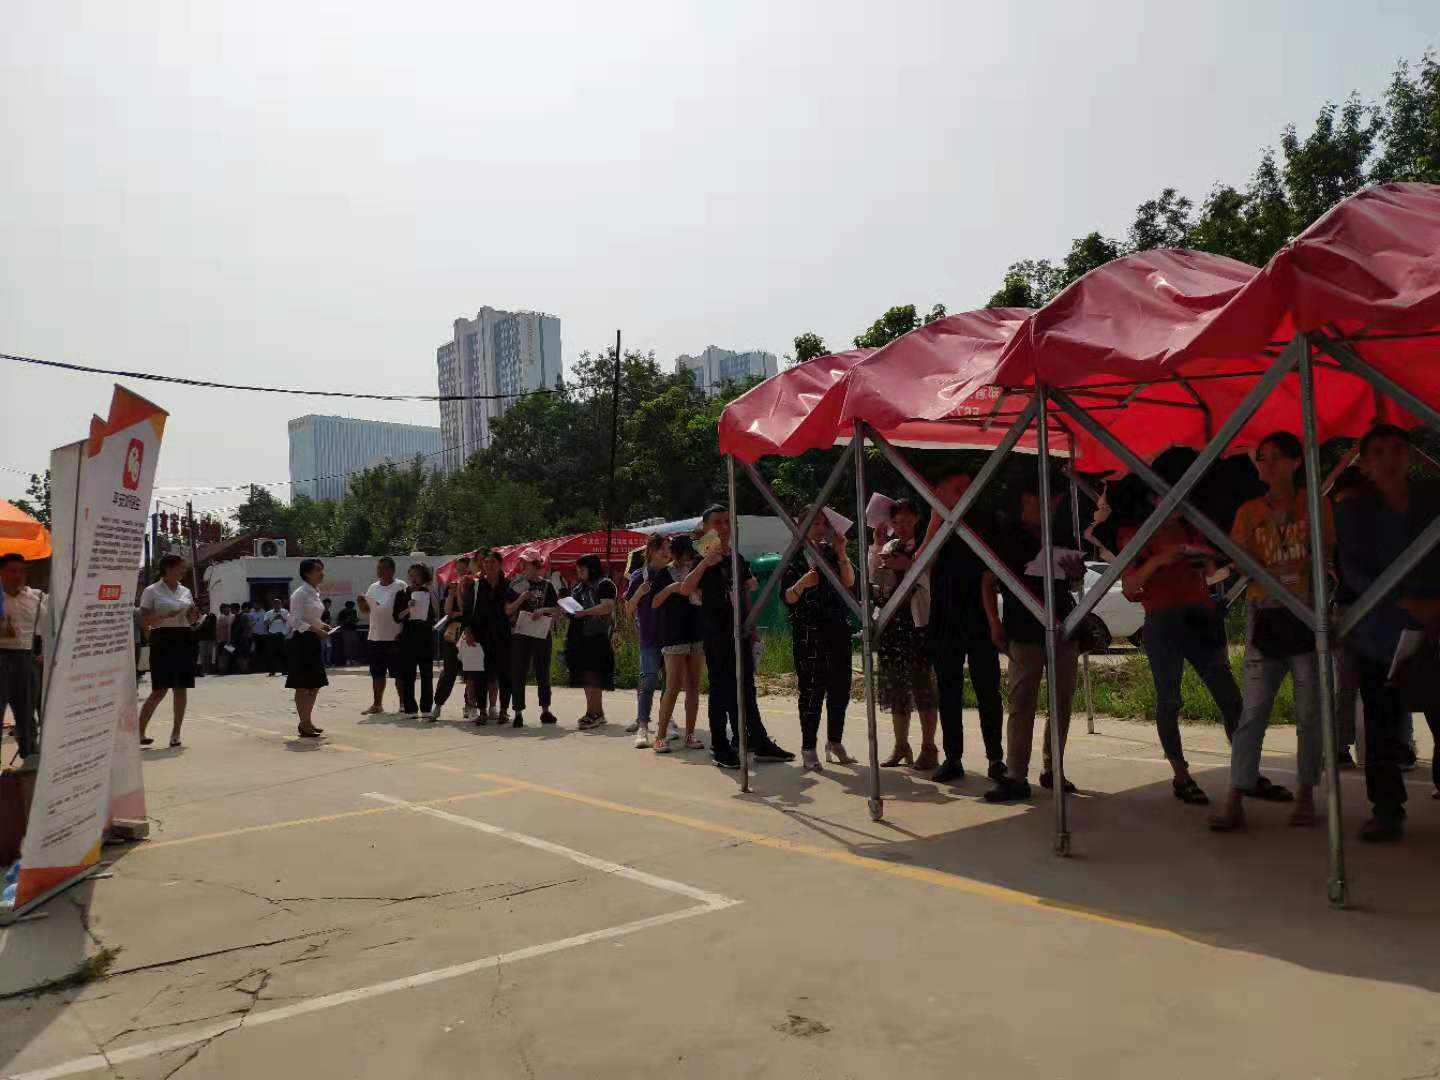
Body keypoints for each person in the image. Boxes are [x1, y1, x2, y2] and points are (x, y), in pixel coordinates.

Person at [1209, 431, 1330, 832]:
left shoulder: (1315, 504)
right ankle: (1236, 794)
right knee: (1253, 712)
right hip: (1265, 615)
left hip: (1307, 615)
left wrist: (1281, 568)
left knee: (1309, 712)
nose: (1268, 464)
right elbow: (1242, 561)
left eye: (1277, 457)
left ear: (1296, 462)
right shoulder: (1249, 512)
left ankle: (1306, 791)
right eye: (1262, 458)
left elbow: (1325, 554)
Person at [1337, 424, 1440, 839]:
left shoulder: (1433, 497)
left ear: (1410, 455)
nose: (1389, 458)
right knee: (1380, 724)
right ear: (1364, 462)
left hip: (1434, 626)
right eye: (1378, 451)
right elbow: (1353, 570)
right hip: (1380, 630)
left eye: (1397, 448)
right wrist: (1404, 601)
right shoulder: (1354, 510)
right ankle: (1386, 810)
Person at [1118, 497, 1243, 806]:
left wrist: (1208, 562)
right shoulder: (1135, 533)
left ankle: (1245, 770)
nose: (1178, 502)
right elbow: (1129, 586)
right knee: (1169, 700)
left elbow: (1211, 573)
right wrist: (1159, 561)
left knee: (1230, 696)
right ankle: (1181, 775)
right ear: (1152, 498)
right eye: (1168, 494)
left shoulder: (1192, 529)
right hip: (1163, 620)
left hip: (1200, 617)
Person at [981, 475, 1084, 803]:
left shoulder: (1063, 533)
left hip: (1063, 623)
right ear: (1024, 501)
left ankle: (1053, 768)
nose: (1045, 509)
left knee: (1062, 700)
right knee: (1022, 700)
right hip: (1023, 627)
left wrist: (1075, 573)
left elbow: (1075, 579)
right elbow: (988, 581)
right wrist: (994, 623)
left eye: (1051, 503)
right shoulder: (1007, 534)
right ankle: (1015, 774)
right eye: (1038, 502)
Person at [685, 505, 792, 769]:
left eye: (727, 522)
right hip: (716, 634)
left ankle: (756, 740)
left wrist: (751, 626)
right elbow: (686, 588)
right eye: (717, 523)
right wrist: (705, 564)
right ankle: (720, 745)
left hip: (740, 632)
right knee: (721, 689)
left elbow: (744, 592)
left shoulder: (736, 558)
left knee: (746, 688)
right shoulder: (702, 559)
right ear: (706, 527)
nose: (723, 528)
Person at [925, 470, 1005, 784]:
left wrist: (995, 622)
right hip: (945, 619)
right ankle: (953, 758)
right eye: (958, 488)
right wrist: (935, 521)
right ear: (939, 491)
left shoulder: (984, 521)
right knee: (948, 690)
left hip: (979, 617)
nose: (965, 495)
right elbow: (922, 564)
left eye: (969, 489)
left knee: (988, 688)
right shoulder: (936, 525)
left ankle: (996, 758)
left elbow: (992, 573)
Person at [782, 511, 857, 770]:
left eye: (823, 523)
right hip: (809, 632)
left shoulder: (830, 552)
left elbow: (849, 581)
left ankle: (834, 741)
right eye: (814, 522)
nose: (819, 527)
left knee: (840, 688)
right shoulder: (793, 556)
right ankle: (808, 747)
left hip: (837, 627)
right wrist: (802, 584)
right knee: (812, 691)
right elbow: (787, 597)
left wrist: (841, 550)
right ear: (800, 524)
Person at [870, 498, 940, 770]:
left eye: (907, 521)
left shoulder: (924, 546)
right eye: (897, 522)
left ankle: (929, 747)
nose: (901, 527)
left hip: (917, 624)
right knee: (896, 688)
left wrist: (907, 566)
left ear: (917, 520)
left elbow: (930, 583)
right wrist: (877, 548)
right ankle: (901, 745)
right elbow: (875, 583)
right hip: (892, 624)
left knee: (923, 688)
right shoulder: (889, 547)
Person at [648, 534, 707, 752]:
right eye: (684, 555)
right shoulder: (664, 573)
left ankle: (690, 735)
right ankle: (660, 736)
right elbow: (654, 603)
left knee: (693, 686)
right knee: (673, 686)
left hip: (696, 632)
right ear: (676, 554)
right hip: (674, 634)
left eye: (690, 556)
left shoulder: (698, 571)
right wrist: (671, 588)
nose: (687, 560)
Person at [138, 554, 198, 748]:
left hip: (183, 637)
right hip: (162, 638)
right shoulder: (151, 591)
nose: (183, 571)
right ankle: (139, 731)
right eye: (180, 567)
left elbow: (190, 619)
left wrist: (193, 617)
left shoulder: (185, 591)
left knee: (181, 688)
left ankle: (176, 733)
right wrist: (164, 615)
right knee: (160, 689)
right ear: (168, 568)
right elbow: (144, 620)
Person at [625, 535, 673, 747]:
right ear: (652, 550)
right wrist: (639, 593)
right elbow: (628, 608)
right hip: (650, 637)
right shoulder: (639, 575)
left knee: (669, 682)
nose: (668, 553)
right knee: (648, 680)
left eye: (669, 549)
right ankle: (643, 726)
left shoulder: (671, 573)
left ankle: (666, 721)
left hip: (671, 636)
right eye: (664, 548)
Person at [0, 554, 46, 770]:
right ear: (2, 573)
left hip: (25, 658)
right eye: (12, 570)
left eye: (21, 571)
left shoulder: (34, 599)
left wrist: (44, 653)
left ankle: (30, 760)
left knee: (26, 713)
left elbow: (49, 628)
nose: (17, 575)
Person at [563, 554, 618, 729]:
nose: (579, 571)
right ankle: (596, 713)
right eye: (578, 568)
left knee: (594, 677)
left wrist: (585, 612)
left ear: (592, 568)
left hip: (598, 637)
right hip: (579, 637)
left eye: (583, 568)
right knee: (587, 678)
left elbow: (607, 606)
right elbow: (574, 608)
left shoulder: (604, 584)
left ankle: (592, 714)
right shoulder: (579, 588)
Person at [506, 549, 560, 727]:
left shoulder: (547, 585)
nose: (523, 566)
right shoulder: (516, 583)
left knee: (543, 671)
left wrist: (543, 610)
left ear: (536, 564)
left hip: (541, 633)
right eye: (522, 562)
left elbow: (557, 610)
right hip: (521, 633)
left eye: (527, 562)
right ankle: (518, 712)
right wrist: (522, 597)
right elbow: (508, 610)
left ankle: (545, 710)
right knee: (518, 671)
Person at [286, 560, 330, 738]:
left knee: (315, 684)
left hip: (313, 640)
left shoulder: (315, 593)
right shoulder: (300, 594)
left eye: (322, 570)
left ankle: (307, 721)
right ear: (307, 573)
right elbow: (294, 621)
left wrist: (322, 625)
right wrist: (316, 630)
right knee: (302, 685)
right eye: (317, 570)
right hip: (302, 641)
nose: (322, 573)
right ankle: (304, 723)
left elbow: (311, 617)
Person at [357, 557, 405, 715]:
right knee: (377, 673)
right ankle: (377, 704)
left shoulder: (400, 586)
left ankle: (403, 704)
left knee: (399, 674)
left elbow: (406, 611)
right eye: (378, 567)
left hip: (395, 637)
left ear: (392, 570)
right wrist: (361, 603)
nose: (379, 571)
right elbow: (366, 610)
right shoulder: (373, 587)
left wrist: (403, 633)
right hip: (375, 637)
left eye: (383, 568)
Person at [431, 555, 475, 723]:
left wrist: (460, 609)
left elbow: (470, 611)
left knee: (471, 671)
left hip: (470, 630)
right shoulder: (452, 585)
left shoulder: (474, 585)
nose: (461, 572)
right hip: (453, 633)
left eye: (465, 569)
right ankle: (438, 704)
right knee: (449, 670)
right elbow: (447, 611)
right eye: (459, 569)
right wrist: (451, 594)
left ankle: (470, 705)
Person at [474, 551, 515, 724]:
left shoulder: (508, 585)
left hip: (502, 634)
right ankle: (482, 711)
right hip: (481, 635)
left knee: (504, 673)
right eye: (486, 562)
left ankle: (504, 710)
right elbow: (469, 609)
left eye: (492, 562)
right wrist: (468, 630)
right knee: (481, 675)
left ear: (500, 565)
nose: (489, 565)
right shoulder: (477, 585)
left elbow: (512, 609)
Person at [394, 562, 436, 718]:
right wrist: (408, 608)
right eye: (411, 575)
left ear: (423, 577)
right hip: (408, 635)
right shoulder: (402, 593)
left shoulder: (427, 592)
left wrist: (430, 593)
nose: (413, 578)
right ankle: (410, 708)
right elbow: (396, 617)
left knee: (427, 673)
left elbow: (437, 612)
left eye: (417, 575)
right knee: (408, 673)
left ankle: (426, 708)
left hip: (425, 634)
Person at [263, 598, 289, 677]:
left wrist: (282, 618)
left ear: (281, 604)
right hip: (272, 635)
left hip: (281, 635)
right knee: (271, 654)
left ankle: (284, 670)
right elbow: (265, 623)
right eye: (275, 604)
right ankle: (272, 671)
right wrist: (274, 618)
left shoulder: (285, 612)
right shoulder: (269, 613)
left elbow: (289, 622)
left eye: (278, 604)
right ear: (273, 605)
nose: (277, 605)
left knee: (283, 653)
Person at [194, 605, 217, 676]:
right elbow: (196, 627)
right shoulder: (199, 617)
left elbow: (214, 627)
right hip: (202, 639)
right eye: (204, 607)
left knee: (210, 655)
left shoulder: (212, 616)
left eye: (207, 607)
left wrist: (215, 638)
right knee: (202, 655)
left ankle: (208, 670)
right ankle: (203, 670)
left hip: (211, 638)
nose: (206, 609)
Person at [336, 600, 359, 667]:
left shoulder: (354, 611)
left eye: (352, 607)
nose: (351, 608)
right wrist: (346, 620)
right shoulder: (342, 612)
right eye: (350, 607)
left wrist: (355, 620)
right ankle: (348, 659)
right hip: (346, 630)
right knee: (347, 645)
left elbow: (356, 620)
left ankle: (353, 659)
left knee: (354, 645)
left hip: (353, 630)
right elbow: (339, 622)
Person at [214, 604, 233, 676]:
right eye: (227, 608)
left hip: (222, 640)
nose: (228, 610)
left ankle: (223, 669)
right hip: (224, 640)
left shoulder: (220, 617)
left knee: (225, 655)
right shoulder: (223, 617)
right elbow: (228, 630)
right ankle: (223, 670)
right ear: (223, 609)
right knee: (224, 656)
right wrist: (229, 640)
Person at [320, 598, 335, 667]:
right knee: (323, 648)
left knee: (329, 647)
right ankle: (323, 662)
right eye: (326, 604)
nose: (327, 606)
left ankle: (328, 661)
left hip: (328, 631)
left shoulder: (328, 612)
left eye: (328, 604)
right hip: (322, 631)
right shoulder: (320, 612)